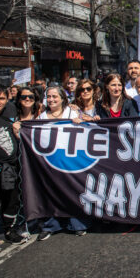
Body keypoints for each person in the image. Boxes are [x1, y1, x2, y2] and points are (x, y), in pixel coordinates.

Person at [36, 86, 89, 240]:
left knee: (73, 192)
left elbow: (88, 125)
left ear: (62, 99)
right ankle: (51, 225)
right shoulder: (42, 117)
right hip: (50, 162)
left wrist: (80, 120)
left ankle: (77, 224)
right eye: (49, 97)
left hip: (72, 160)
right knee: (52, 193)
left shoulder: (72, 113)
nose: (51, 100)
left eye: (55, 97)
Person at [0, 86, 24, 252]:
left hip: (10, 166)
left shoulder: (11, 108)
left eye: (1, 98)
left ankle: (10, 230)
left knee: (11, 200)